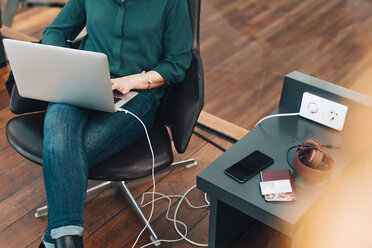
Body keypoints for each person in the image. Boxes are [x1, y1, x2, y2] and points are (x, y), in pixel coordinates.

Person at [38, 0, 192, 247]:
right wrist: (65, 66)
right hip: (83, 80)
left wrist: (132, 81)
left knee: (63, 155)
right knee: (58, 131)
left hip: (138, 95)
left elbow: (177, 62)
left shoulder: (171, 2)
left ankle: (53, 240)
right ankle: (68, 240)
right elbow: (55, 31)